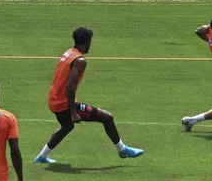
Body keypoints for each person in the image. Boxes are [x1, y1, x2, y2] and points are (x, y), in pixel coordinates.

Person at [33, 27, 144, 164]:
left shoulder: (69, 53)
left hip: (53, 100)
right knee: (107, 118)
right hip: (64, 104)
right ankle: (122, 150)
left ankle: (41, 157)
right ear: (87, 42)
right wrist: (73, 112)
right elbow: (70, 85)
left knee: (67, 126)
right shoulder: (80, 61)